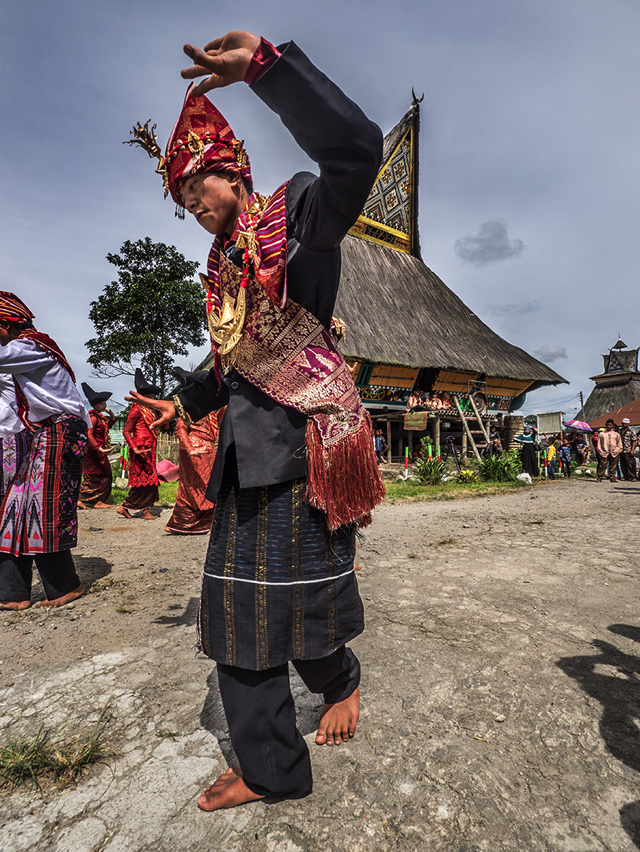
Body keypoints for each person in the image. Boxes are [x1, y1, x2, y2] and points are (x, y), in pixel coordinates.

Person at [126, 30, 384, 810]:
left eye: (195, 184)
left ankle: (310, 718)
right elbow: (228, 366)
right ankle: (305, 722)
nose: (191, 203)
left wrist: (269, 72)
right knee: (249, 612)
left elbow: (358, 151)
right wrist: (184, 402)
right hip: (250, 456)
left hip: (306, 445)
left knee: (277, 606)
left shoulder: (299, 212)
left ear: (231, 165)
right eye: (180, 201)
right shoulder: (221, 271)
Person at [0, 293, 89, 611]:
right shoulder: (27, 347)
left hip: (61, 430)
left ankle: (65, 586)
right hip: (49, 431)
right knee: (16, 505)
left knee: (43, 505)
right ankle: (12, 591)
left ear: (5, 325)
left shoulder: (31, 345)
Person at [165, 368, 220, 535]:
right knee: (195, 486)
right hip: (194, 450)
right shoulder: (189, 404)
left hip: (207, 449)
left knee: (207, 484)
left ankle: (189, 523)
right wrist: (190, 449)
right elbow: (180, 429)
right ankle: (189, 522)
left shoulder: (212, 405)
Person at [118, 369, 163, 520]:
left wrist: (162, 412)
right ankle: (127, 507)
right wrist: (135, 448)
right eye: (149, 397)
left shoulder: (152, 412)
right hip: (140, 450)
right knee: (143, 481)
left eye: (153, 397)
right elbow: (126, 431)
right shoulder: (137, 409)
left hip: (150, 450)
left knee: (150, 482)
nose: (152, 399)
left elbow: (165, 427)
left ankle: (143, 510)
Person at [78, 383, 115, 508]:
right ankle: (80, 498)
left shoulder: (101, 418)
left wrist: (113, 417)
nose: (104, 406)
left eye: (105, 403)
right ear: (94, 405)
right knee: (94, 475)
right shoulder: (93, 418)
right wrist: (98, 448)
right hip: (93, 451)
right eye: (101, 404)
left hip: (99, 450)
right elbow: (89, 434)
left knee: (104, 474)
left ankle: (98, 501)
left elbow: (105, 429)